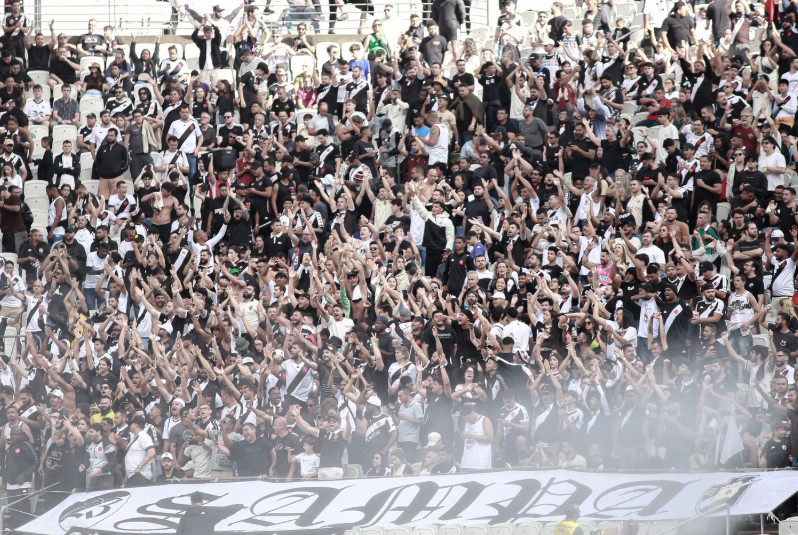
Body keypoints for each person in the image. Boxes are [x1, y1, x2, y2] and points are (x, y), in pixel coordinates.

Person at [176, 491, 244, 535]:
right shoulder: (210, 514)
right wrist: (240, 506)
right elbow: (225, 510)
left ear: (191, 501)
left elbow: (179, 533)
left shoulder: (184, 518)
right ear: (202, 501)